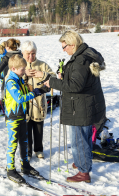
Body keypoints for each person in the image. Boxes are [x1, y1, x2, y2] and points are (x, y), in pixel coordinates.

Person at [44, 30, 106, 183]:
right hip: (83, 103)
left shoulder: (80, 60)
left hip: (80, 106)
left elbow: (75, 85)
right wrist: (64, 73)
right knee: (81, 138)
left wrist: (52, 82)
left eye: (64, 46)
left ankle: (83, 171)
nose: (63, 50)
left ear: (72, 44)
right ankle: (81, 161)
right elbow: (79, 79)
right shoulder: (82, 57)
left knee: (79, 140)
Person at [5, 54, 44, 183]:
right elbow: (19, 98)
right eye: (22, 69)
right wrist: (35, 93)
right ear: (13, 68)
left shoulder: (19, 79)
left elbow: (25, 93)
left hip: (22, 116)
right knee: (13, 144)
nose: (24, 71)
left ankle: (25, 165)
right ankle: (10, 169)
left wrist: (40, 89)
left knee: (24, 141)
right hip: (12, 118)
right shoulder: (11, 82)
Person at [21, 40, 56, 161]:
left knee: (38, 127)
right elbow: (9, 77)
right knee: (26, 128)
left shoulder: (42, 65)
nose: (31, 56)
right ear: (23, 53)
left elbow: (54, 78)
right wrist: (23, 73)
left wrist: (42, 74)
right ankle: (28, 151)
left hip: (39, 103)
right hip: (24, 103)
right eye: (28, 54)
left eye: (33, 53)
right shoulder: (19, 64)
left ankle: (39, 149)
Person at [0, 38, 22, 103]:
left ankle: (4, 103)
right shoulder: (20, 54)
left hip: (9, 79)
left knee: (5, 91)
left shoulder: (8, 57)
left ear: (8, 47)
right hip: (20, 80)